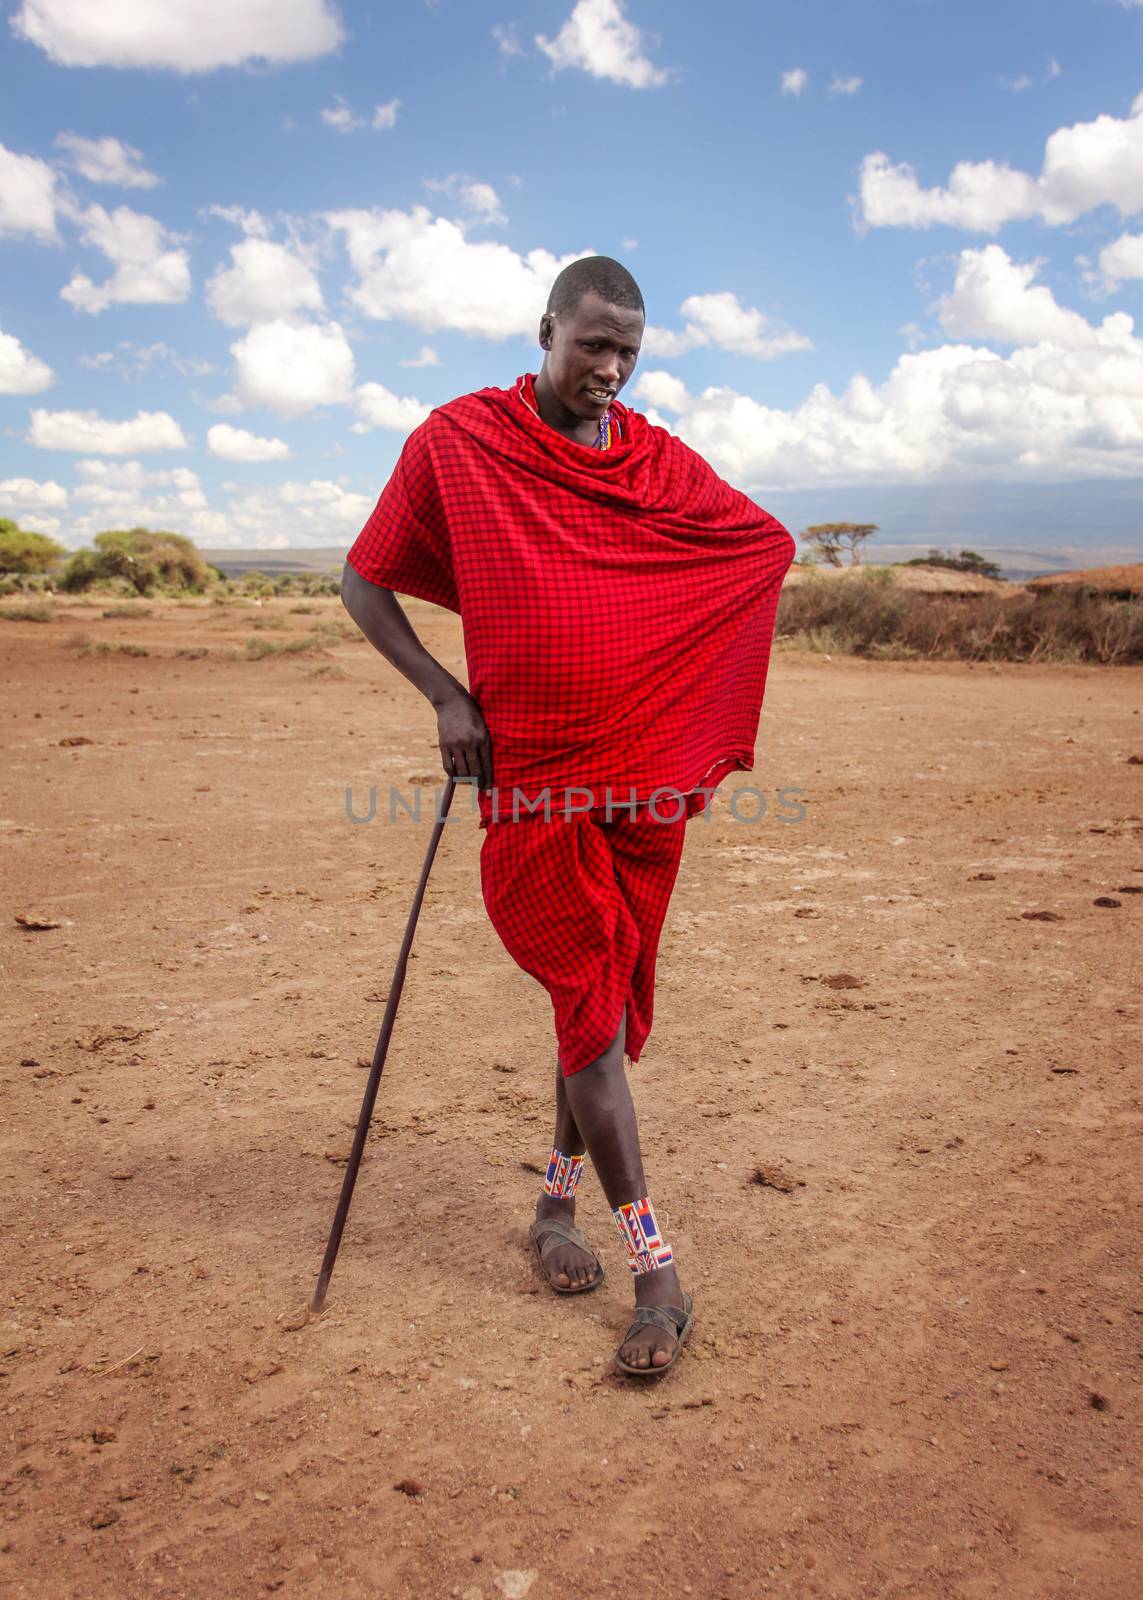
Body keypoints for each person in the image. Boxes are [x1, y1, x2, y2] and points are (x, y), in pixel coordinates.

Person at [341, 256, 795, 1376]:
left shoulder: (653, 460)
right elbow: (363, 579)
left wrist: (678, 685)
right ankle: (658, 1271)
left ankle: (554, 1210)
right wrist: (448, 696)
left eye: (629, 350)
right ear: (547, 330)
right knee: (587, 996)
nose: (612, 369)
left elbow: (762, 543)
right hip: (535, 779)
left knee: (591, 998)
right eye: (593, 344)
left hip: (643, 780)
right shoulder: (461, 444)